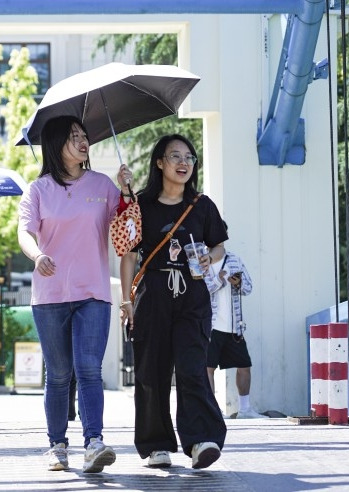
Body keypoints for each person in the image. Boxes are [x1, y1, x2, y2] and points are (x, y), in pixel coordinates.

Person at [17, 114, 132, 473]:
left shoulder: (103, 185)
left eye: (84, 135)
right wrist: (37, 256)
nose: (83, 142)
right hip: (49, 295)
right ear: (55, 145)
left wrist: (127, 191)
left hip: (93, 292)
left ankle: (94, 442)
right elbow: (23, 233)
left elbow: (127, 229)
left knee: (89, 369)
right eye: (73, 137)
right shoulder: (38, 190)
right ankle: (57, 445)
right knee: (59, 373)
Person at [118, 133, 228, 470]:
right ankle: (156, 445)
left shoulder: (202, 205)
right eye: (175, 156)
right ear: (160, 163)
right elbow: (126, 253)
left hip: (193, 296)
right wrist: (126, 301)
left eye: (189, 157)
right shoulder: (141, 205)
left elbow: (219, 245)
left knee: (193, 368)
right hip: (152, 297)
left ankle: (201, 441)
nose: (184, 163)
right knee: (152, 372)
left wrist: (211, 257)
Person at [206, 221, 267, 419]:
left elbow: (249, 288)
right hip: (210, 325)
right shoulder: (202, 260)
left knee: (244, 366)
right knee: (208, 368)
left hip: (234, 325)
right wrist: (220, 279)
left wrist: (238, 283)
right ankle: (213, 410)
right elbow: (200, 291)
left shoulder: (234, 259)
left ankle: (245, 409)